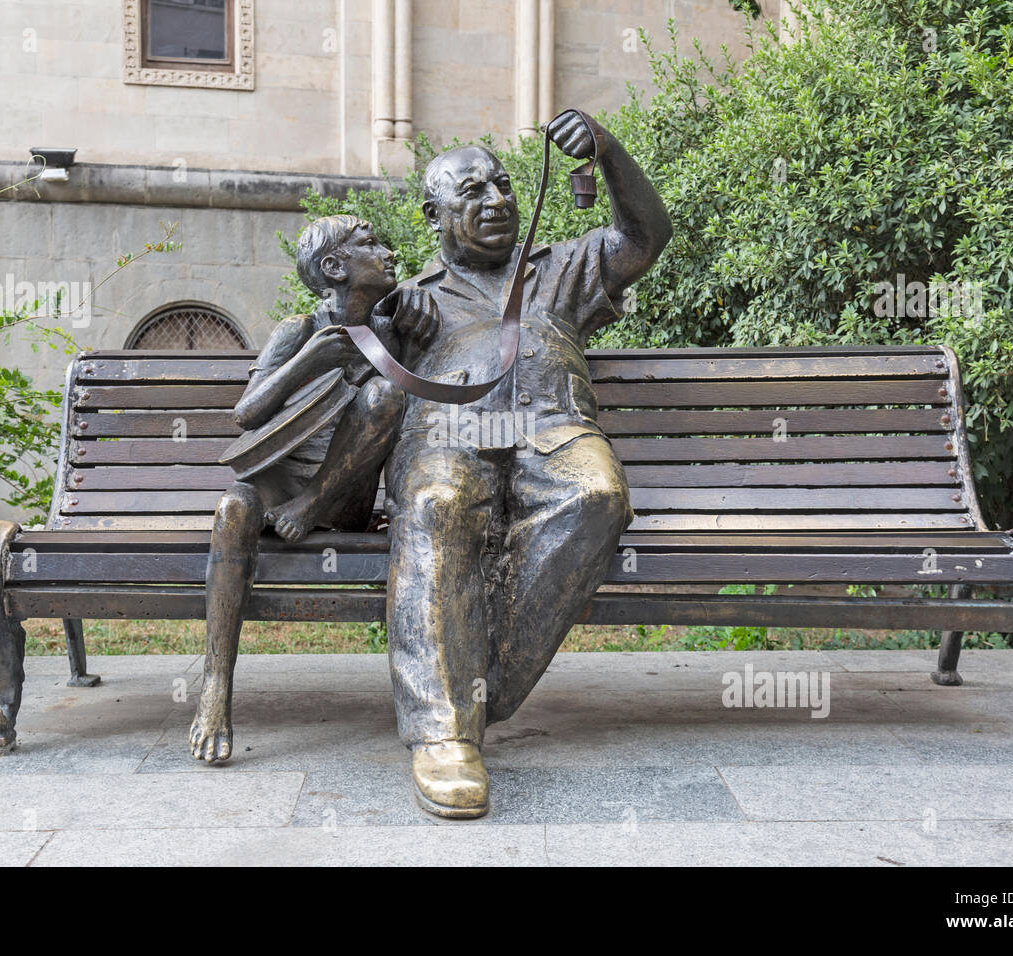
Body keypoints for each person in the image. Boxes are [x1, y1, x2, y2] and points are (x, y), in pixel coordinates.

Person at [384, 112, 673, 817]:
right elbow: (335, 345)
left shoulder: (560, 269)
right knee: (435, 503)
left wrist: (607, 150)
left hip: (553, 430)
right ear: (434, 215)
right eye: (472, 192)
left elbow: (647, 235)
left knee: (598, 492)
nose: (497, 200)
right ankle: (445, 735)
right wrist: (386, 320)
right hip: (450, 437)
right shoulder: (411, 299)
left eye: (504, 184)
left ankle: (478, 686)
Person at [189, 214, 437, 762]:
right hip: (277, 486)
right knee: (233, 510)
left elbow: (414, 411)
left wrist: (417, 303)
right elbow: (247, 414)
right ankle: (215, 684)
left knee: (383, 399)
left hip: (340, 495)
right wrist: (311, 359)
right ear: (333, 267)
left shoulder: (396, 330)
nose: (387, 249)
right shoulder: (297, 331)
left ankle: (312, 502)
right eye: (369, 243)